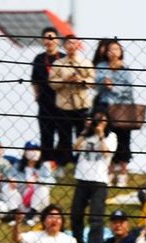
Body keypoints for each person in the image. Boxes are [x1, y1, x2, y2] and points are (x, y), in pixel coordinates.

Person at [71, 110, 116, 243]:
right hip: (82, 178)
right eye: (97, 120)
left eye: (102, 120)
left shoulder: (111, 136)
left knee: (96, 217)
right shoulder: (85, 135)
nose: (99, 123)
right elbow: (75, 149)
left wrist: (101, 135)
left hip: (99, 180)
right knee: (76, 214)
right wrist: (86, 131)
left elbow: (107, 153)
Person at [94, 39, 136, 186]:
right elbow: (95, 86)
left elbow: (129, 89)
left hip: (123, 107)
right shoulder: (101, 67)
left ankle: (123, 173)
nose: (113, 52)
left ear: (121, 52)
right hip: (105, 105)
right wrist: (103, 83)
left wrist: (114, 87)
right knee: (108, 138)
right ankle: (110, 171)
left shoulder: (126, 69)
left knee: (124, 139)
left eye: (116, 49)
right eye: (110, 49)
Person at [48, 34, 94, 165]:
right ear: (64, 45)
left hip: (82, 104)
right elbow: (52, 83)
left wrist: (81, 81)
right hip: (64, 105)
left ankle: (81, 163)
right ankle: (64, 163)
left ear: (78, 45)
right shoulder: (58, 64)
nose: (71, 46)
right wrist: (64, 80)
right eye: (69, 43)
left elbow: (92, 81)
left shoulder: (85, 63)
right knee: (64, 137)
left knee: (82, 136)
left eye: (74, 43)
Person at [30, 26, 65, 167]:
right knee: (46, 135)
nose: (49, 41)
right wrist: (36, 95)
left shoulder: (63, 58)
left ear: (57, 40)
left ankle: (61, 163)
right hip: (44, 102)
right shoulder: (39, 59)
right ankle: (46, 164)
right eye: (46, 38)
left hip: (62, 102)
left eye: (52, 38)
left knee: (63, 135)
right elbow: (34, 81)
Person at [11, 140, 55, 223]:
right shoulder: (17, 165)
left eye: (37, 150)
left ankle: (31, 215)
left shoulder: (44, 166)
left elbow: (52, 181)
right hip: (22, 197)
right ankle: (14, 214)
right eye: (31, 150)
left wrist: (38, 180)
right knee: (8, 187)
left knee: (43, 189)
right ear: (25, 152)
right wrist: (20, 181)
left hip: (37, 200)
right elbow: (12, 178)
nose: (34, 152)